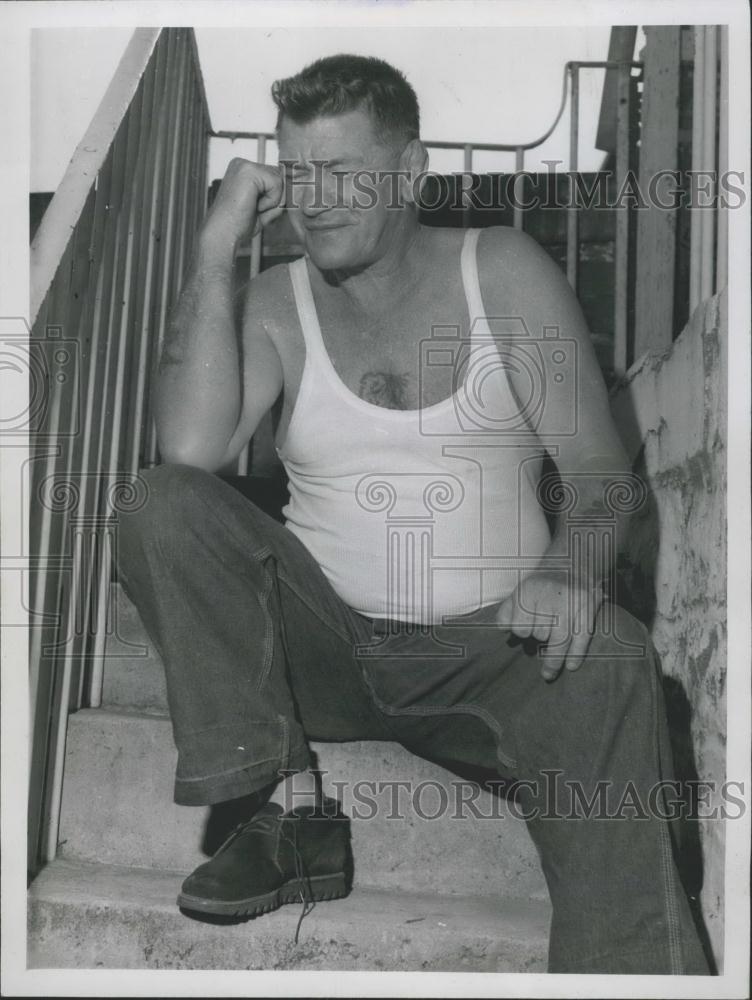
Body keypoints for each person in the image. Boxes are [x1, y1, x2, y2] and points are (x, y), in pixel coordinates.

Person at [116, 54, 710, 974]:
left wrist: (568, 568)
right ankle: (288, 806)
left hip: (486, 660)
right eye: (299, 173)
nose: (317, 199)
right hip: (325, 652)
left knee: (619, 658)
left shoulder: (500, 270)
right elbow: (187, 456)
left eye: (346, 170)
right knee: (159, 503)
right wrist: (213, 246)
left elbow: (600, 467)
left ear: (410, 169)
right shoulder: (275, 304)